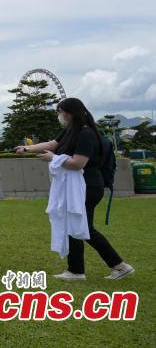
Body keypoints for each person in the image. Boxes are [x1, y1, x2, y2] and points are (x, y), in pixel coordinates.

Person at [16, 97, 134, 281]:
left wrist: (54, 158)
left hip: (87, 186)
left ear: (70, 113)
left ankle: (118, 266)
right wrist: (27, 148)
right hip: (80, 186)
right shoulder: (73, 130)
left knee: (83, 228)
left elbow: (78, 163)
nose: (59, 116)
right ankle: (76, 271)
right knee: (75, 226)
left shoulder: (86, 134)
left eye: (60, 112)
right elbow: (52, 144)